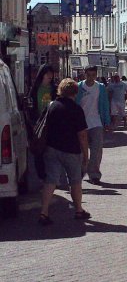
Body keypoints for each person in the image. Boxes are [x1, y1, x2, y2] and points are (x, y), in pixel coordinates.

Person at [38, 78, 90, 225]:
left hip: (52, 149)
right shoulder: (76, 109)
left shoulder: (51, 106)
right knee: (75, 181)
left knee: (50, 181)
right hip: (71, 150)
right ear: (75, 92)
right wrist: (86, 155)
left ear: (60, 90)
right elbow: (82, 135)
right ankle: (79, 210)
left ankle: (44, 212)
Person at [76, 65, 111, 185]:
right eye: (88, 75)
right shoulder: (79, 87)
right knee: (81, 151)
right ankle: (80, 172)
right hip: (81, 124)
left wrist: (107, 121)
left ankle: (94, 174)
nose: (91, 78)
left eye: (93, 75)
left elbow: (105, 105)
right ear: (84, 74)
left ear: (96, 75)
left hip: (96, 122)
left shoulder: (100, 87)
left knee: (96, 150)